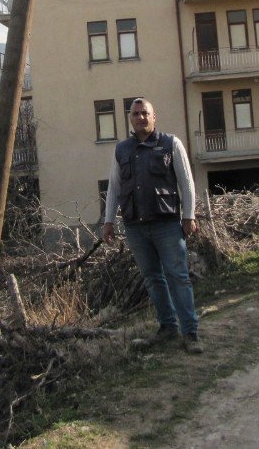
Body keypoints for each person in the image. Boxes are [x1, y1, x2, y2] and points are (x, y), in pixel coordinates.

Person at [102, 98, 203, 354]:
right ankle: (168, 328)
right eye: (135, 114)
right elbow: (114, 187)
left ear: (154, 117)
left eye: (145, 113)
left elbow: (187, 182)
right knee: (152, 279)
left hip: (167, 224)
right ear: (131, 119)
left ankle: (190, 333)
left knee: (178, 277)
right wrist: (109, 220)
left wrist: (188, 216)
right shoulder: (121, 150)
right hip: (136, 226)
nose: (140, 118)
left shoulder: (171, 144)